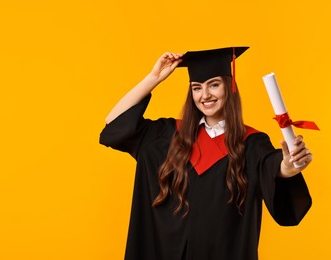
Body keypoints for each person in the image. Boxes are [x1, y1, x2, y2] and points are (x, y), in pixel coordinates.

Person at [99, 47, 312, 260]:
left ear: (230, 87)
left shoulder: (251, 143)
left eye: (214, 85)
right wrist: (154, 78)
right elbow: (114, 124)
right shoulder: (169, 135)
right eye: (197, 88)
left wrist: (289, 166)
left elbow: (271, 166)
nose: (205, 95)